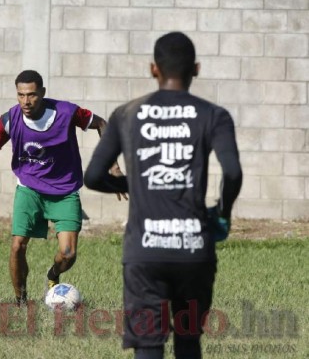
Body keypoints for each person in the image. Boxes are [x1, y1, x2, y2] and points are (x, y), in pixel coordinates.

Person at [84, 32, 243, 359]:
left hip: (144, 252)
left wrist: (131, 184)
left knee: (147, 345)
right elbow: (232, 172)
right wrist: (223, 213)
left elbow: (94, 176)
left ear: (153, 69)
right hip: (194, 250)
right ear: (196, 69)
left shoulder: (127, 114)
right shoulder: (214, 115)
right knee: (188, 342)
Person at [0, 70, 124, 306]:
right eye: (21, 95)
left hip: (64, 192)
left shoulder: (67, 112)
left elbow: (102, 123)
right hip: (29, 189)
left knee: (68, 254)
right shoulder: (10, 119)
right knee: (17, 246)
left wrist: (113, 167)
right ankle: (21, 300)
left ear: (42, 92)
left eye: (31, 95)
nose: (26, 101)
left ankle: (53, 276)